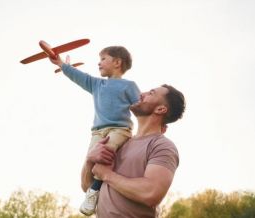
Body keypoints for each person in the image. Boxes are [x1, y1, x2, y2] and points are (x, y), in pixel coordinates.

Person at [49, 46, 140, 215]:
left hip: (119, 130)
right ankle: (94, 191)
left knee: (105, 153)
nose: (99, 63)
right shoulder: (97, 84)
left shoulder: (129, 86)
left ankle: (94, 191)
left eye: (103, 59)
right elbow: (78, 76)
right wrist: (61, 64)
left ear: (117, 62)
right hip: (97, 132)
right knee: (91, 161)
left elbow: (141, 107)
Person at [81, 85, 186, 217]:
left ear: (160, 109)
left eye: (151, 93)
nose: (142, 93)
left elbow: (151, 193)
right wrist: (90, 160)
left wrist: (107, 175)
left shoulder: (162, 146)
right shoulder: (119, 142)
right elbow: (87, 187)